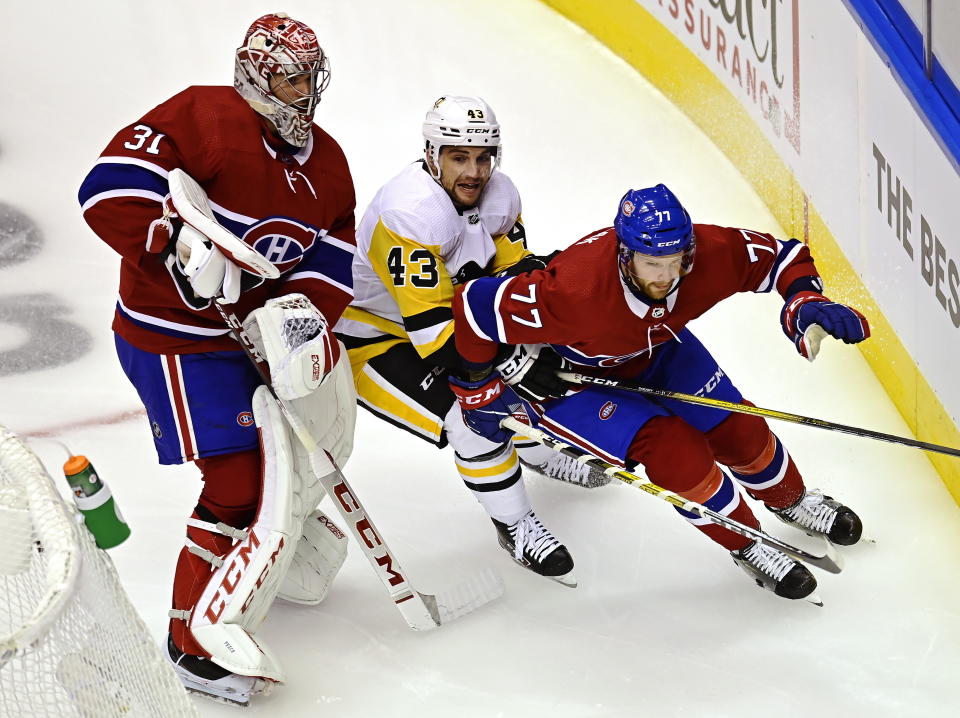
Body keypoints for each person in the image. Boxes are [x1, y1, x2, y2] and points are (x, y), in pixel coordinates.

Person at [78, 13, 357, 705]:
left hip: (250, 343)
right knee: (237, 480)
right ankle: (190, 641)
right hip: (171, 336)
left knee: (308, 451)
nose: (305, 90)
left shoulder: (326, 162)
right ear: (259, 74)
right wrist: (171, 242)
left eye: (308, 76)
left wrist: (296, 322)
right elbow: (106, 188)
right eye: (292, 76)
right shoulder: (202, 114)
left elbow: (333, 260)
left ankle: (274, 556)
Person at [450, 183, 869, 603]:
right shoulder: (573, 289)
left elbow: (783, 258)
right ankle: (747, 543)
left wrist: (805, 299)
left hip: (655, 349)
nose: (667, 277)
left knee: (739, 429)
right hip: (570, 378)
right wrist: (478, 387)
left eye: (677, 262)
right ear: (624, 254)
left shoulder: (702, 253)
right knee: (676, 454)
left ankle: (791, 501)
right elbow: (473, 306)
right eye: (653, 263)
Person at [334, 95, 607, 589]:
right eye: (459, 157)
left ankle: (536, 452)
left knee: (535, 362)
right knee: (471, 417)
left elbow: (513, 284)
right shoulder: (411, 212)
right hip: (372, 340)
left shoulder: (500, 195)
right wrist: (513, 364)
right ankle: (515, 525)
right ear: (432, 154)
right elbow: (439, 342)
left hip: (444, 319)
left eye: (484, 157)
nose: (475, 171)